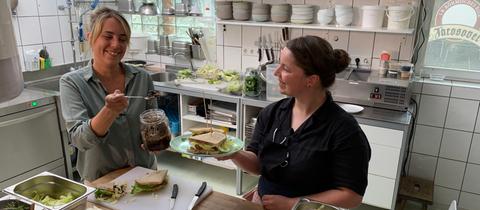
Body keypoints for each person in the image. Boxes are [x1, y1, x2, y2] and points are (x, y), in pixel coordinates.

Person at [219, 36, 371, 210]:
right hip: (262, 203)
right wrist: (233, 153)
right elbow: (258, 165)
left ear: (311, 80)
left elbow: (351, 195)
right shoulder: (271, 114)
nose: (276, 73)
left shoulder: (344, 130)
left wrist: (295, 204)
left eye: (286, 68)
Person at [60, 7, 159, 182]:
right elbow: (79, 140)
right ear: (90, 38)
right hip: (102, 182)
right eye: (108, 36)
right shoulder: (72, 83)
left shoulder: (142, 78)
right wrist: (109, 111)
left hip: (145, 174)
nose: (116, 44)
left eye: (122, 39)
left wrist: (156, 139)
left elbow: (152, 124)